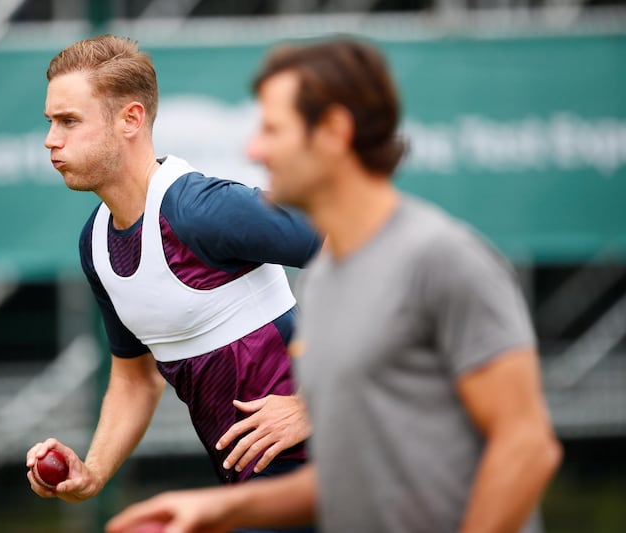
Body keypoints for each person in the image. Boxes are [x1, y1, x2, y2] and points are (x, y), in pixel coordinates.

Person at [106, 37, 563, 533]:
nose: (253, 148)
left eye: (273, 129)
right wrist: (220, 511)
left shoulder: (442, 259)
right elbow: (355, 479)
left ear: (333, 132)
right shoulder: (325, 281)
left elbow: (526, 448)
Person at [26, 34, 321, 526]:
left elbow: (369, 248)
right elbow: (135, 379)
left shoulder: (202, 209)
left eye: (69, 121)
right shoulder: (96, 244)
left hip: (331, 466)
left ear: (131, 119)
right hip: (254, 483)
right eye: (51, 122)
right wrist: (93, 472)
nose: (50, 139)